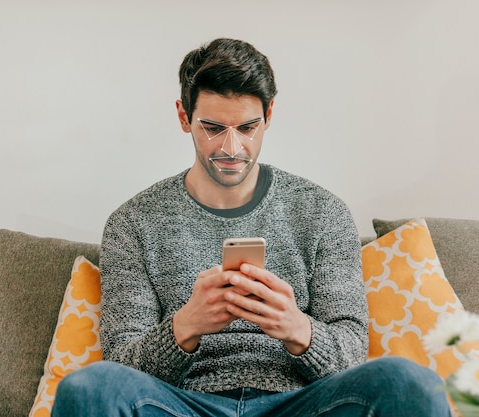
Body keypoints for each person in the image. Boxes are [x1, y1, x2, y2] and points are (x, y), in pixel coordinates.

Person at [52, 38, 450, 417]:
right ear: (183, 116)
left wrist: (297, 329)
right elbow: (122, 364)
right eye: (213, 128)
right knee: (88, 388)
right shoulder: (133, 223)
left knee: (410, 382)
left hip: (299, 404)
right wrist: (186, 326)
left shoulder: (322, 212)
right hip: (183, 405)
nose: (231, 148)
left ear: (269, 116)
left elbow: (350, 354)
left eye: (246, 128)